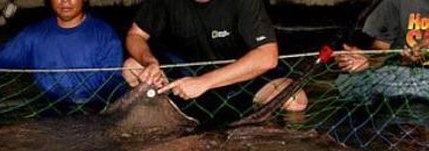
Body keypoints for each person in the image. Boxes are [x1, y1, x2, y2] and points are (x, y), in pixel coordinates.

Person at [121, 0, 306, 115]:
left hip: (242, 77)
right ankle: (167, 122)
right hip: (185, 75)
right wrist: (150, 61)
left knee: (295, 101)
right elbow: (135, 35)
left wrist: (204, 82)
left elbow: (267, 56)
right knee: (132, 67)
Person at [0, 0, 124, 108]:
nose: (65, 1)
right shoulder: (34, 36)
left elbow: (115, 85)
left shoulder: (105, 35)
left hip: (96, 111)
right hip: (50, 110)